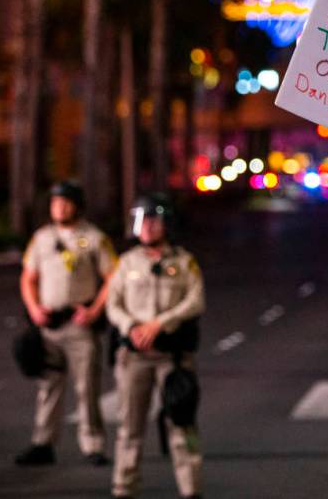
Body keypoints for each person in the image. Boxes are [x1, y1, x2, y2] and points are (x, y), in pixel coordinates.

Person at [107, 194, 205, 499]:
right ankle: (124, 486)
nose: (146, 227)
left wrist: (160, 323)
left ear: (166, 224)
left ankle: (191, 488)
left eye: (152, 220)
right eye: (140, 221)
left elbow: (195, 300)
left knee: (182, 424)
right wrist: (132, 327)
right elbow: (113, 304)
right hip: (135, 355)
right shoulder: (126, 263)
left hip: (173, 357)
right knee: (129, 427)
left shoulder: (184, 262)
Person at [15, 180, 117, 466]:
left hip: (79, 323)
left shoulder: (94, 238)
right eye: (54, 202)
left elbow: (113, 277)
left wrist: (95, 310)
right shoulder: (42, 238)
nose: (59, 207)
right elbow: (28, 277)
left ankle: (93, 445)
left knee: (87, 387)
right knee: (48, 386)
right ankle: (43, 442)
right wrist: (34, 308)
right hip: (48, 323)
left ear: (78, 206)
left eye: (65, 202)